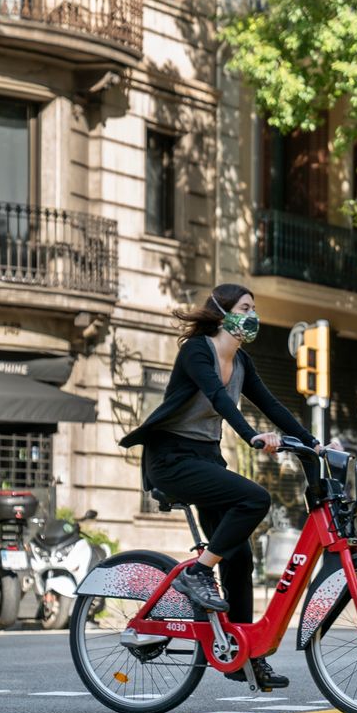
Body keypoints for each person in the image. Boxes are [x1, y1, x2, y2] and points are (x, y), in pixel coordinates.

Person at [120, 283, 318, 689]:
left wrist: (314, 445)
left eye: (254, 307)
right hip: (172, 460)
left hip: (206, 459)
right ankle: (197, 572)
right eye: (246, 307)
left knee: (240, 556)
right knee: (255, 498)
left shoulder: (241, 362)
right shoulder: (198, 350)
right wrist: (252, 437)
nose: (253, 315)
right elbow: (219, 399)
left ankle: (245, 656)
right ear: (222, 312)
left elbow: (273, 405)